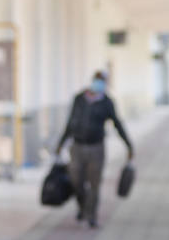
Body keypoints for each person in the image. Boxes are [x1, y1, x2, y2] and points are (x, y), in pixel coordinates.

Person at [54, 69, 133, 228]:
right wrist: (61, 144)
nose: (99, 84)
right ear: (92, 81)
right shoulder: (79, 99)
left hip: (96, 148)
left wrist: (128, 145)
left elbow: (117, 124)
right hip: (77, 147)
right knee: (76, 181)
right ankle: (83, 207)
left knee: (94, 184)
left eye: (102, 81)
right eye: (97, 80)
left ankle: (92, 216)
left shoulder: (106, 102)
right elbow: (70, 123)